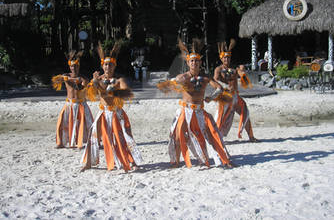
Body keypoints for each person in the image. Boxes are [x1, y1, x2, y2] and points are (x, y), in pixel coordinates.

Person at [157, 38, 233, 168]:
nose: (194, 63)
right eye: (192, 61)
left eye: (197, 60)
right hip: (185, 111)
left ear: (200, 62)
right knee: (176, 136)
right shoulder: (184, 77)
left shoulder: (205, 77)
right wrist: (171, 84)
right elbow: (172, 83)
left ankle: (224, 159)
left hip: (199, 112)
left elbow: (219, 88)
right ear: (188, 63)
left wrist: (211, 97)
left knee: (213, 134)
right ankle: (175, 161)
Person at [81, 42, 143, 172]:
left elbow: (127, 93)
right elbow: (89, 95)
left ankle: (132, 162)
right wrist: (94, 84)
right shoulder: (98, 79)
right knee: (93, 136)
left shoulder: (120, 80)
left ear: (114, 66)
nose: (107, 66)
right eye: (105, 64)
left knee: (124, 138)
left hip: (116, 113)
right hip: (103, 113)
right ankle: (88, 163)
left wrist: (112, 92)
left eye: (110, 64)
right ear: (102, 66)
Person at [213, 39, 258, 142]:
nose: (227, 59)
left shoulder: (235, 69)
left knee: (245, 112)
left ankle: (251, 136)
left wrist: (243, 73)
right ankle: (216, 138)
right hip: (224, 97)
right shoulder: (218, 69)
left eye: (228, 57)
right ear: (221, 58)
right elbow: (215, 80)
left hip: (235, 97)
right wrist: (224, 85)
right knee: (220, 118)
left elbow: (245, 83)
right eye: (225, 57)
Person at [52, 51, 94, 149]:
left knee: (86, 123)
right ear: (69, 67)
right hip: (69, 104)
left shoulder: (83, 78)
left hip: (80, 104)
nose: (73, 68)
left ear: (78, 66)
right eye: (71, 66)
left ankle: (85, 142)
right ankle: (60, 142)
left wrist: (79, 81)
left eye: (75, 66)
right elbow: (56, 80)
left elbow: (83, 86)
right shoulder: (65, 76)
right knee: (62, 122)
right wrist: (68, 79)